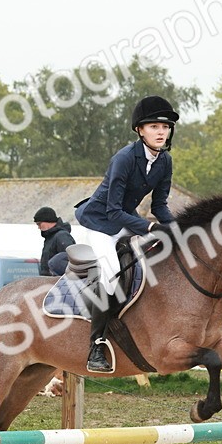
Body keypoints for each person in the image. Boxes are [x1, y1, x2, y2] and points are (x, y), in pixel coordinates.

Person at [74, 95, 179, 372]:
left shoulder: (164, 161)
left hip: (125, 218)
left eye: (165, 127)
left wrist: (179, 228)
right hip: (100, 221)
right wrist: (151, 228)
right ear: (140, 130)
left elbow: (159, 206)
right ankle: (95, 347)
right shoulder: (123, 158)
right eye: (154, 126)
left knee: (161, 252)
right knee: (110, 275)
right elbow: (112, 211)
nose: (161, 132)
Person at [33, 207, 76, 276]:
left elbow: (70, 260)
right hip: (49, 281)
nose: (38, 227)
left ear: (47, 220)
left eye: (39, 224)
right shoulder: (51, 237)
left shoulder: (61, 236)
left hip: (56, 281)